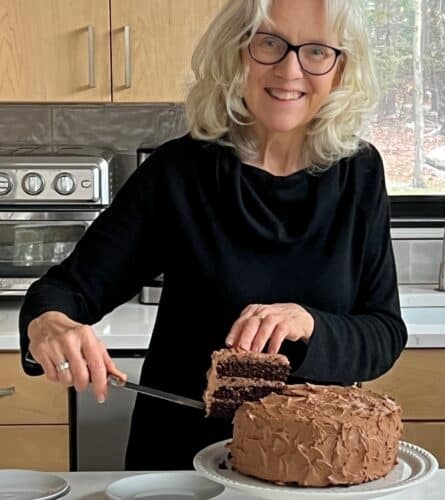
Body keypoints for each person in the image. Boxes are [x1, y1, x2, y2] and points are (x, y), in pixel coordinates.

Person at [19, 0, 407, 470]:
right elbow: (66, 290)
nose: (290, 69)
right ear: (237, 51)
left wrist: (309, 324)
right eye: (269, 43)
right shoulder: (177, 173)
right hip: (181, 464)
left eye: (317, 52)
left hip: (316, 468)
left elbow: (384, 332)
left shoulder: (360, 173)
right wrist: (49, 324)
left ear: (341, 69)